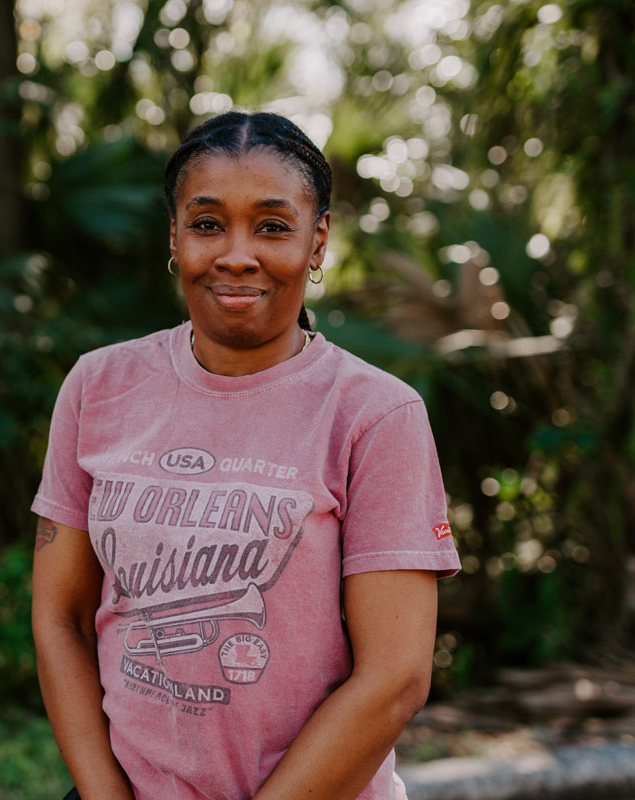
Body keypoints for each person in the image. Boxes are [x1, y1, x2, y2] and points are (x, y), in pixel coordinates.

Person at [30, 111, 461, 800]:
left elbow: (395, 679)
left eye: (272, 225)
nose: (236, 253)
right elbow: (60, 618)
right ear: (174, 236)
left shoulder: (375, 415)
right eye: (206, 224)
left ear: (317, 241)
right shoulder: (97, 387)